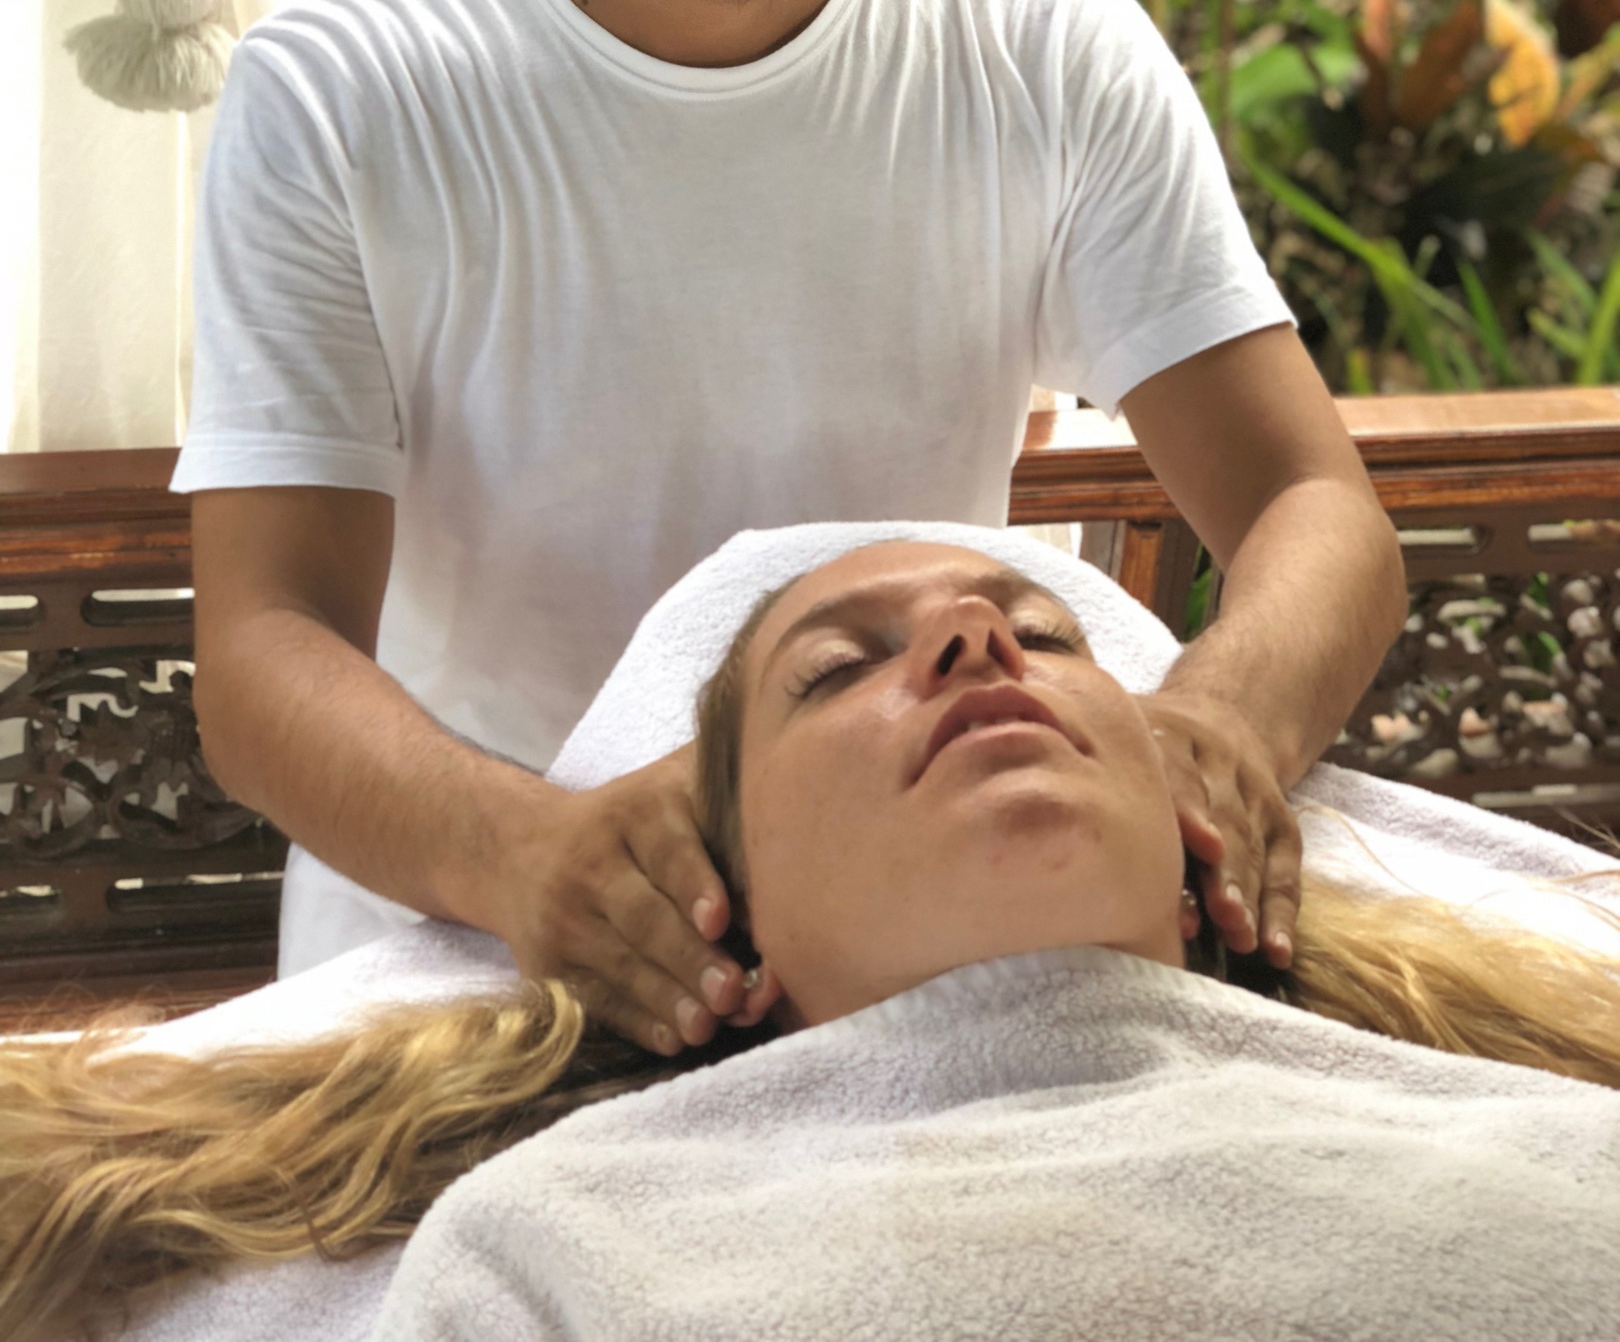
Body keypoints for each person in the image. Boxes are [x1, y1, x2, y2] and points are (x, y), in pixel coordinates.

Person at [176, 0, 1406, 1059]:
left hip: (938, 961)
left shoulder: (1037, 46)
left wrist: (1216, 723)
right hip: (475, 963)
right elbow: (263, 652)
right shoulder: (351, 90)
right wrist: (530, 853)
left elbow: (1310, 504)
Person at [4, 540, 1617, 1342]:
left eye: (1042, 634)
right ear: (727, 921)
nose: (978, 637)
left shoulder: (1556, 1143)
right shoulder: (557, 1253)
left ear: (1203, 857)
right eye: (838, 671)